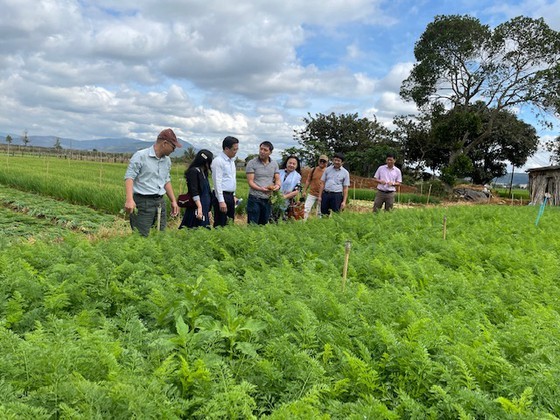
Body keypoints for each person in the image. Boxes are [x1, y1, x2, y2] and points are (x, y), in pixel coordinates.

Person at [124, 128, 182, 236]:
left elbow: (166, 180)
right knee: (141, 237)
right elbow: (129, 177)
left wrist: (173, 201)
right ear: (165, 143)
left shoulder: (167, 160)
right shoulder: (141, 156)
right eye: (173, 146)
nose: (174, 150)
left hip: (160, 202)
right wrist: (129, 200)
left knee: (160, 236)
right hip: (143, 202)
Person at [245, 141, 280, 225]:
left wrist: (277, 186)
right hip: (255, 198)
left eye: (265, 150)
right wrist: (261, 189)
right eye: (261, 149)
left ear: (270, 152)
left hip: (267, 199)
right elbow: (250, 182)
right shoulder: (252, 163)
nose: (262, 152)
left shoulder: (274, 164)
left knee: (263, 224)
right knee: (253, 225)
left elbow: (277, 179)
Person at [179, 149, 214, 229]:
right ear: (205, 161)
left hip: (204, 205)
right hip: (197, 206)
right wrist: (199, 207)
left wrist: (209, 210)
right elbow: (194, 191)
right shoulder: (193, 172)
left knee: (204, 229)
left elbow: (207, 191)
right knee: (194, 228)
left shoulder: (203, 172)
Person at [211, 136, 239, 227]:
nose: (236, 152)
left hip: (230, 196)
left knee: (230, 223)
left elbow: (231, 179)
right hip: (222, 196)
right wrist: (221, 201)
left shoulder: (231, 161)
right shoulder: (218, 161)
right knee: (220, 223)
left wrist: (233, 195)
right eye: (234, 149)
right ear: (226, 148)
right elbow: (217, 182)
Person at [318, 152, 350, 216]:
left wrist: (344, 201)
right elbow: (322, 183)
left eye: (338, 161)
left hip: (337, 195)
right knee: (324, 213)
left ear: (342, 162)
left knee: (336, 214)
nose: (336, 162)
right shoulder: (327, 170)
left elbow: (345, 188)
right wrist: (319, 196)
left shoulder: (345, 173)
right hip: (326, 194)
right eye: (335, 160)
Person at [274, 155, 302, 221]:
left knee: (284, 221)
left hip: (288, 202)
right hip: (275, 199)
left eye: (294, 164)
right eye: (290, 163)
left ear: (296, 166)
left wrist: (284, 197)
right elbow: (273, 183)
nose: (291, 165)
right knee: (272, 220)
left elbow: (297, 190)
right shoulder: (279, 172)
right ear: (286, 163)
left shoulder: (297, 176)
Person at [303, 154, 328, 219]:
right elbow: (308, 180)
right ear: (318, 161)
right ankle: (303, 223)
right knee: (306, 209)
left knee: (319, 212)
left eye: (324, 161)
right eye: (321, 161)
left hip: (322, 194)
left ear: (326, 163)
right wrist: (304, 191)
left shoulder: (328, 171)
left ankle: (318, 225)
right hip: (312, 193)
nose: (322, 162)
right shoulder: (313, 170)